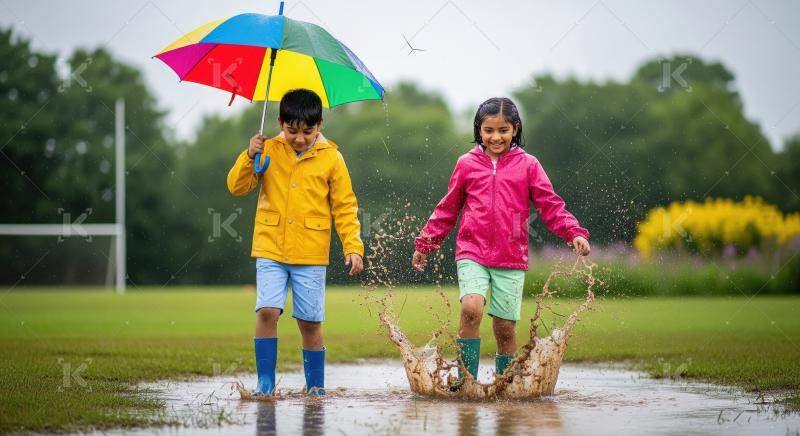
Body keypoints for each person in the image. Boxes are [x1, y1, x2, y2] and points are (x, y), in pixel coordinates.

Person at [411, 97, 590, 385]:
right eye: (489, 130)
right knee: (471, 308)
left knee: (505, 328)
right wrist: (425, 243)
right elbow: (448, 207)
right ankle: (464, 380)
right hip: (471, 251)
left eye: (503, 130)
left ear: (515, 129)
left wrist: (574, 232)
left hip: (510, 256)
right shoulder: (466, 164)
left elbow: (550, 205)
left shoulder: (529, 165)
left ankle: (506, 386)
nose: (496, 137)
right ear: (479, 131)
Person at [227, 89, 365, 396]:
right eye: (292, 131)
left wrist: (353, 246)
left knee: (310, 323)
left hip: (311, 253)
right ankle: (265, 383)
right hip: (270, 247)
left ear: (320, 124)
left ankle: (315, 386)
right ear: (280, 122)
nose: (299, 138)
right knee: (267, 311)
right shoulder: (268, 149)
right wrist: (249, 156)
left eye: (307, 131)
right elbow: (237, 187)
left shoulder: (332, 157)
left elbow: (344, 206)